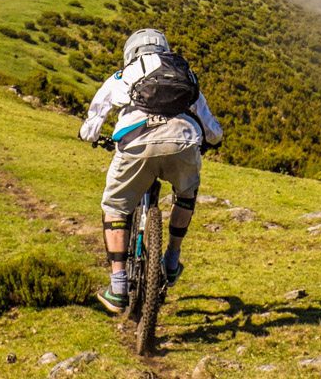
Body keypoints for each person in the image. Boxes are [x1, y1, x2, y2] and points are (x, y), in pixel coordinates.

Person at [79, 28, 222, 313]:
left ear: (130, 53)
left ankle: (118, 287)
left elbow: (96, 118)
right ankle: (171, 259)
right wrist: (212, 141)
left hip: (137, 142)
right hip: (183, 140)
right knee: (186, 194)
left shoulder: (124, 75)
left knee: (115, 207)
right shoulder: (184, 73)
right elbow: (211, 128)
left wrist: (90, 135)